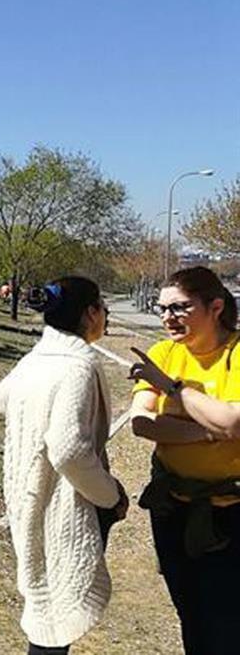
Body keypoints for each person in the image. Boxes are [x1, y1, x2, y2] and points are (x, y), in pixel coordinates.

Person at [0, 277, 126, 655]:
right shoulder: (78, 365)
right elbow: (68, 451)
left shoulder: (34, 360)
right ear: (90, 312)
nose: (105, 317)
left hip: (28, 493)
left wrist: (26, 452)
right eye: (103, 308)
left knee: (42, 601)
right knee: (55, 615)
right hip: (68, 503)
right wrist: (110, 495)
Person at [127, 266, 240, 654]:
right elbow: (141, 422)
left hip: (232, 513)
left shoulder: (236, 354)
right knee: (190, 613)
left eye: (179, 307)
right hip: (172, 508)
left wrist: (173, 390)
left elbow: (235, 421)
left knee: (226, 622)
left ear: (215, 306)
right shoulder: (162, 353)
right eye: (162, 309)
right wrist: (208, 431)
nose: (167, 317)